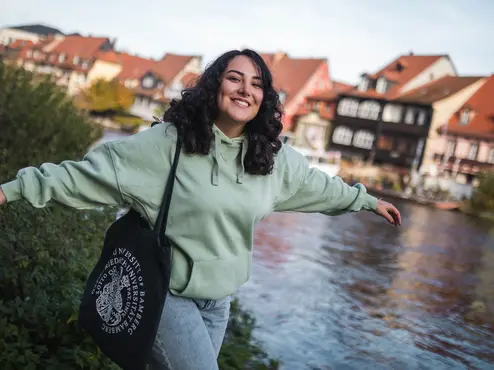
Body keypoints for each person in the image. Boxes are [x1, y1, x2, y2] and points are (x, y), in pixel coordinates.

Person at [0, 49, 401, 369]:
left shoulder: (272, 159)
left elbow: (318, 186)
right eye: (234, 78)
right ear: (214, 87)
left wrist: (366, 200)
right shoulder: (169, 144)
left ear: (264, 99)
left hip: (219, 303)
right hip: (165, 294)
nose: (246, 90)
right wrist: (12, 190)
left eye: (257, 84)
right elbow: (91, 173)